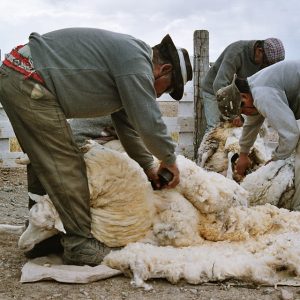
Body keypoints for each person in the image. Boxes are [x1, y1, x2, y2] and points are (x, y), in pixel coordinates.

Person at [0, 28, 192, 265]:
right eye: (167, 89)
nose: (160, 94)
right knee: (67, 163)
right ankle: (79, 245)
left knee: (44, 158)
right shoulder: (136, 61)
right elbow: (148, 121)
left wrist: (148, 167)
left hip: (21, 75)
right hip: (29, 79)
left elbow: (128, 128)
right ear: (165, 69)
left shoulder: (128, 64)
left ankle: (43, 239)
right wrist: (169, 159)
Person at [215, 60, 300, 211]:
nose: (244, 115)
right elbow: (251, 125)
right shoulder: (253, 90)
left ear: (243, 97)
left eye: (242, 111)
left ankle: (297, 211)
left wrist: (275, 160)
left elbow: (290, 134)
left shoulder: (261, 94)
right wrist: (243, 154)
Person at [202, 38, 285, 131]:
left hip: (237, 94)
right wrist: (233, 114)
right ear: (259, 50)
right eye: (266, 63)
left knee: (235, 129)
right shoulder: (236, 53)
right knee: (215, 129)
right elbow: (220, 84)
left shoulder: (263, 60)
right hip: (215, 90)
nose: (265, 67)